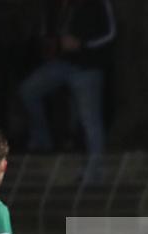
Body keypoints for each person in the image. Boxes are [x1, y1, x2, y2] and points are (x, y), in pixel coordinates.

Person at [19, 0, 115, 182]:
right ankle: (42, 139)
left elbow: (110, 34)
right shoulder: (66, 6)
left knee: (89, 119)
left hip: (88, 67)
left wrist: (82, 44)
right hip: (64, 63)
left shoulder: (100, 4)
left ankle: (95, 171)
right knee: (28, 90)